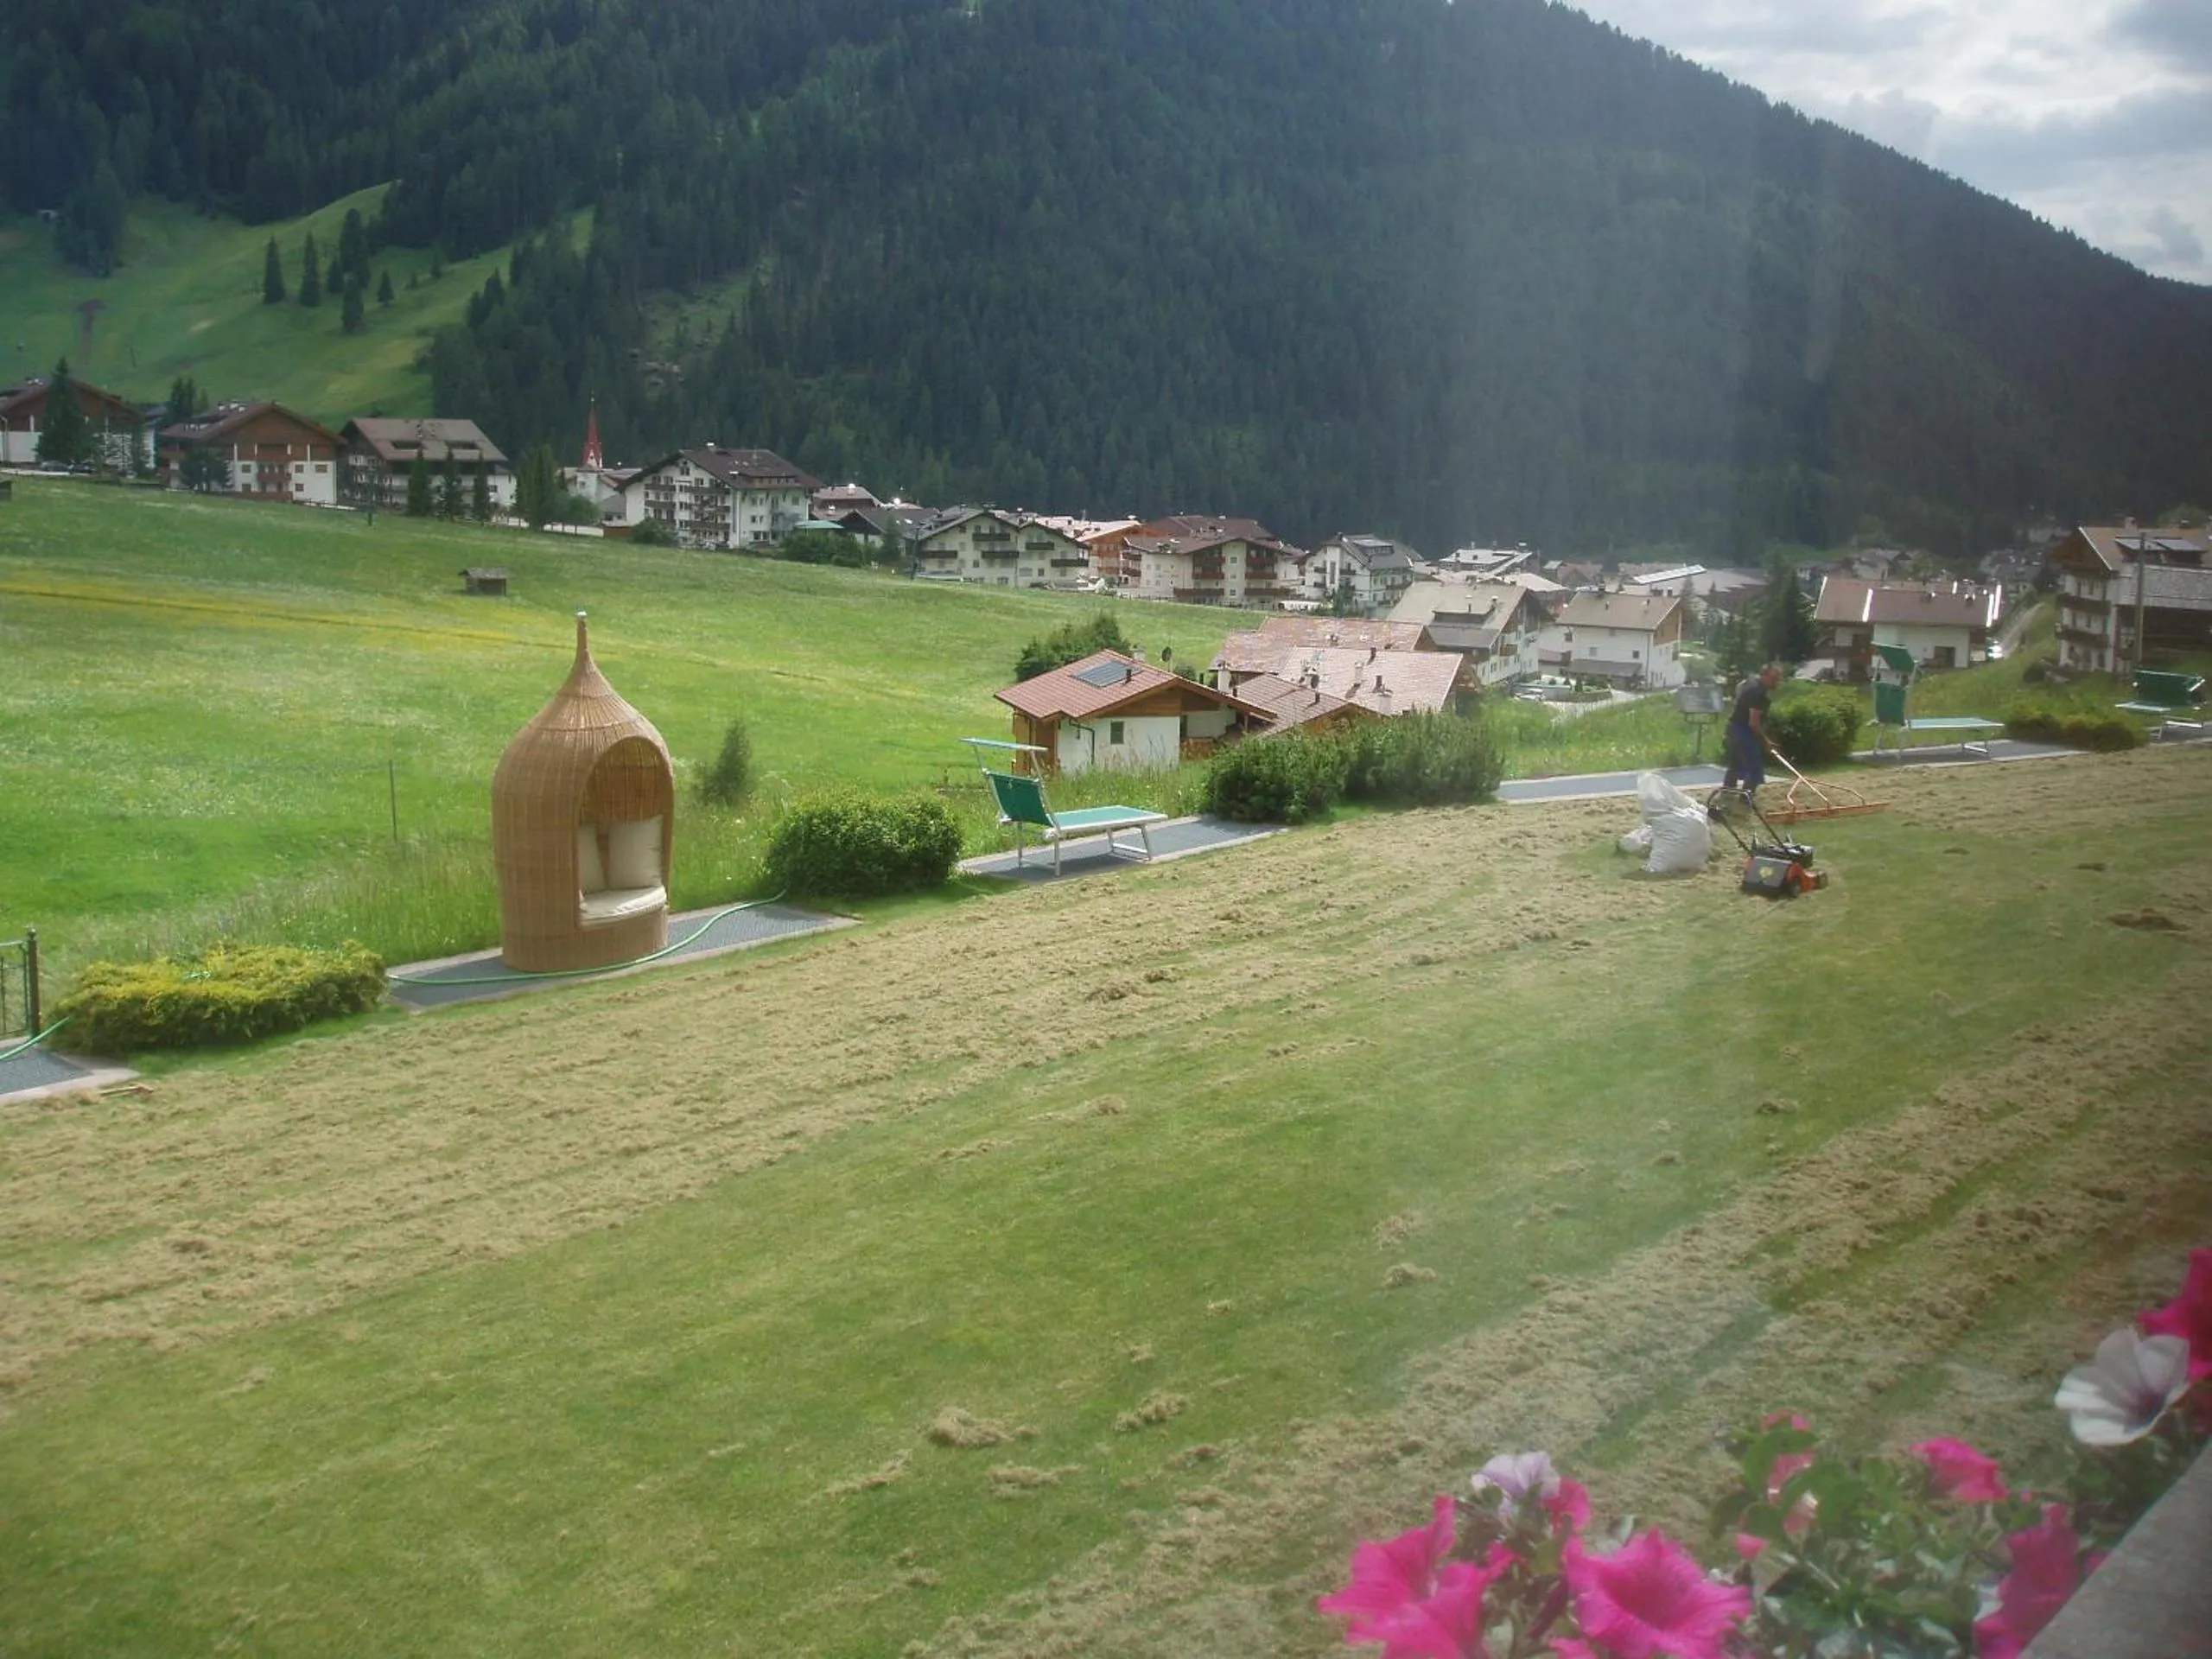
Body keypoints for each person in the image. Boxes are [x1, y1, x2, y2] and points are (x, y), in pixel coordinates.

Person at [1722, 663, 1783, 796]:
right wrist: (1766, 741)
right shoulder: (1758, 693)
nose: (1777, 682)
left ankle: (1727, 796)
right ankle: (1745, 801)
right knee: (1755, 771)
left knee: (1734, 766)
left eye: (1778, 679)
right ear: (1764, 676)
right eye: (1774, 678)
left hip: (1733, 729)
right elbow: (1753, 723)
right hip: (1743, 731)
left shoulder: (1753, 686)